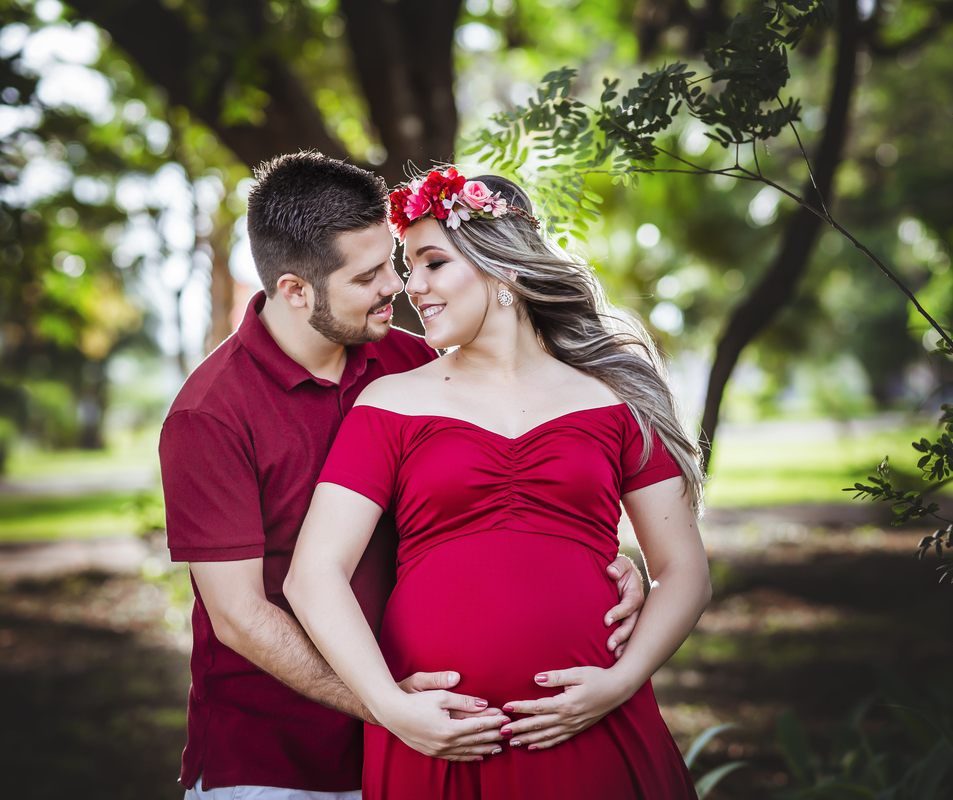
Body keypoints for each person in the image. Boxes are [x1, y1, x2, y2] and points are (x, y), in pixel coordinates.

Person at [159, 152, 646, 799]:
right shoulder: (209, 414)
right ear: (295, 291)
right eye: (368, 277)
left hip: (421, 750)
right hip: (275, 762)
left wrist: (608, 570)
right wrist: (385, 705)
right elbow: (241, 616)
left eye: (393, 259)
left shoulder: (412, 365)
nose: (397, 285)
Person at [285, 168, 712, 799]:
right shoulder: (389, 404)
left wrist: (616, 686)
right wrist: (390, 708)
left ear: (501, 265)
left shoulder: (615, 398)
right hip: (443, 736)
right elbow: (312, 574)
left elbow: (684, 571)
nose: (413, 287)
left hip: (591, 725)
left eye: (433, 263)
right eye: (410, 268)